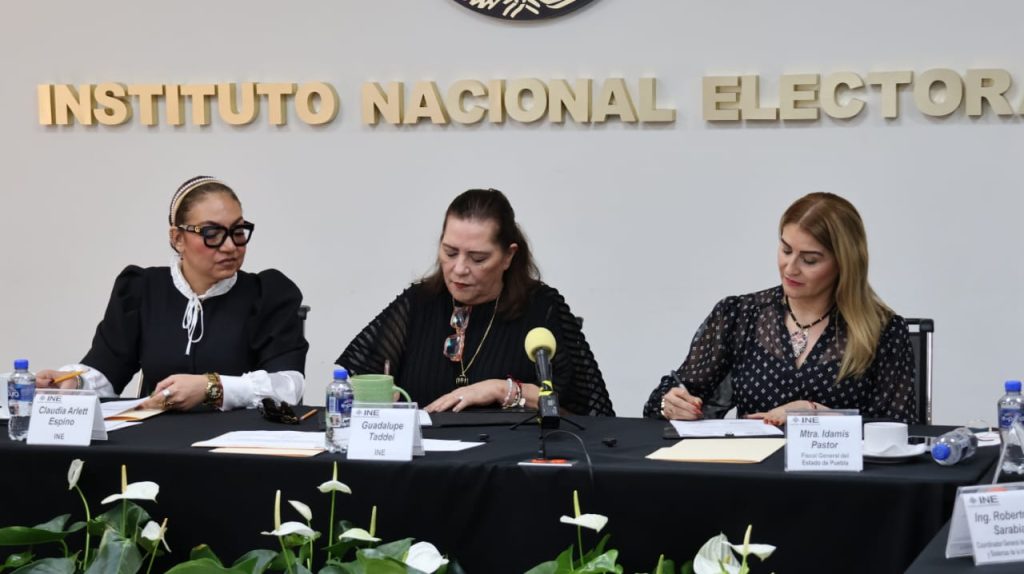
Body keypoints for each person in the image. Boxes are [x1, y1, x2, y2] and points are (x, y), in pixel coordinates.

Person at [35, 176, 309, 411]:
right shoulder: (141, 290)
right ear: (177, 238)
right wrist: (73, 382)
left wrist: (212, 388)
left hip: (242, 444)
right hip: (156, 441)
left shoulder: (267, 294)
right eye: (212, 233)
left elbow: (289, 386)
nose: (230, 246)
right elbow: (107, 369)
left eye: (238, 231)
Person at [644, 192, 917, 424]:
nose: (791, 268)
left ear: (843, 264)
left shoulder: (883, 331)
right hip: (751, 467)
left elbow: (900, 429)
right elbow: (668, 397)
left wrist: (816, 414)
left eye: (810, 260)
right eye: (786, 250)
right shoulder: (739, 315)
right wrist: (671, 404)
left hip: (838, 470)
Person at [337, 188, 614, 416]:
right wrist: (376, 401)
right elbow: (354, 378)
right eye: (449, 252)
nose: (459, 269)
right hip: (425, 461)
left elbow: (588, 414)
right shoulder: (418, 303)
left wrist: (502, 390)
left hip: (511, 461)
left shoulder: (542, 308)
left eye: (478, 258)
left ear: (508, 256)